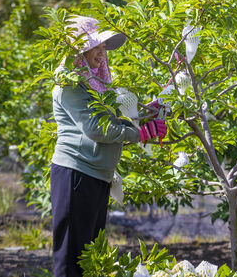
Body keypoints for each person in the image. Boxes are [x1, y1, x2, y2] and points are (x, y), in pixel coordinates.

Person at [50, 15, 167, 277]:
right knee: (71, 258)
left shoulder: (97, 85)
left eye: (103, 48)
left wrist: (148, 112)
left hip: (96, 175)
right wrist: (142, 133)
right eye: (96, 47)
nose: (102, 54)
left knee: (91, 255)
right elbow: (95, 128)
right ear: (79, 50)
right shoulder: (70, 83)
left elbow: (115, 118)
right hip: (76, 175)